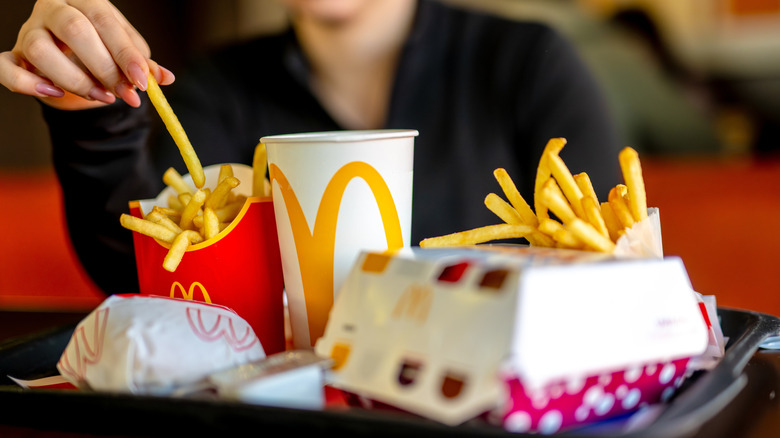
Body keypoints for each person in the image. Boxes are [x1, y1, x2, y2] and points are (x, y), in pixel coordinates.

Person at [0, 0, 621, 295]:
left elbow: (613, 274)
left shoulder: (529, 64)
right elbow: (142, 274)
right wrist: (86, 113)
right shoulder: (217, 85)